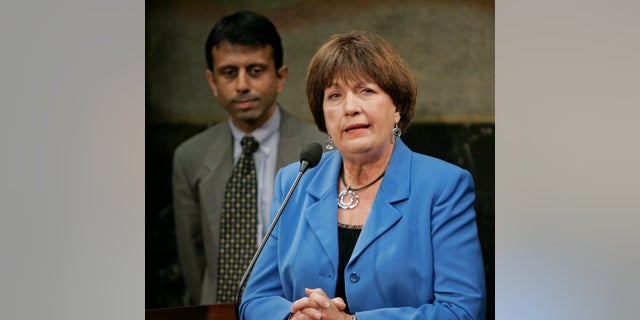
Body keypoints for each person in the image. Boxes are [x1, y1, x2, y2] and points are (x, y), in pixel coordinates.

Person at [239, 31, 486, 319]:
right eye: (334, 95)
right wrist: (294, 317)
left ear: (398, 107)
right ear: (323, 116)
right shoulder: (295, 180)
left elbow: (462, 311)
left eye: (366, 91)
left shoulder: (443, 186)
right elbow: (255, 298)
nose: (350, 108)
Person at [172, 10, 325, 305]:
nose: (242, 85)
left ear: (280, 77)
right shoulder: (190, 157)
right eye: (229, 73)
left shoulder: (320, 149)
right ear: (212, 81)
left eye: (255, 71)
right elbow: (192, 260)